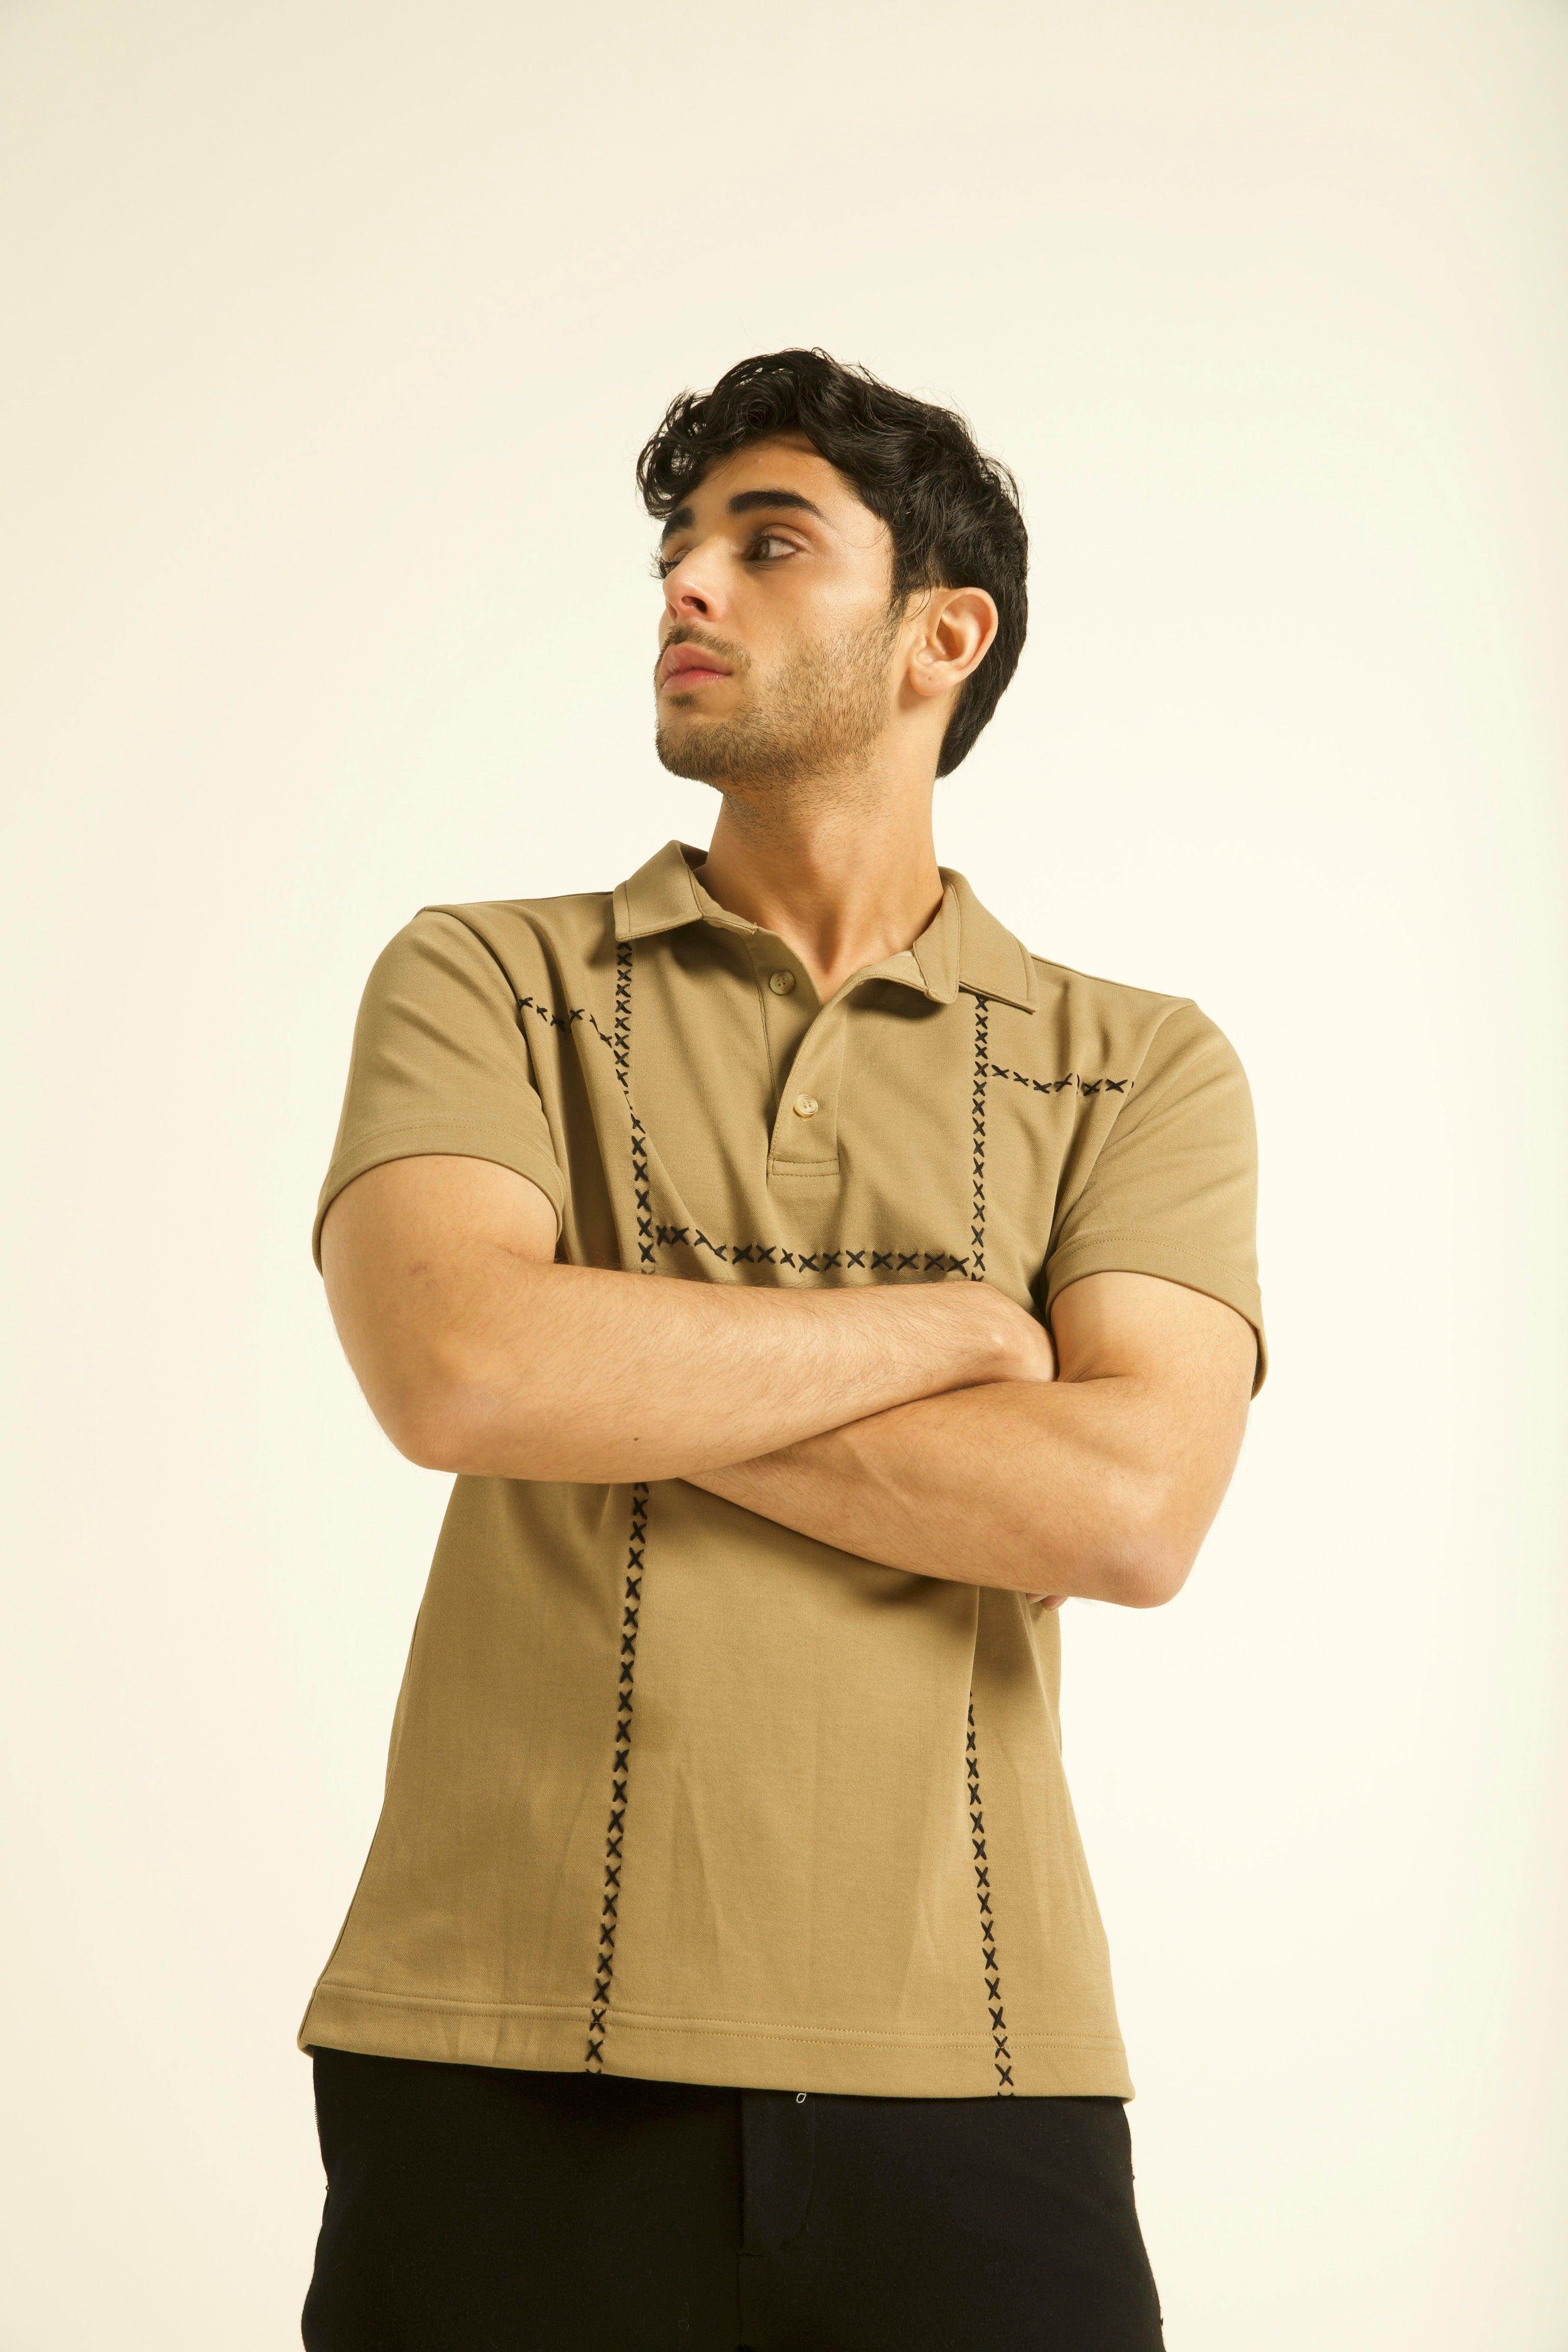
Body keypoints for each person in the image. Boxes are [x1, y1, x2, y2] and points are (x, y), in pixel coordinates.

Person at [297, 347, 1267, 2350]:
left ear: (941, 636)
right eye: (677, 546)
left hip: (981, 2067)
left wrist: (611, 1371)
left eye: (765, 543)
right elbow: (458, 1368)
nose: (684, 584)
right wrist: (949, 1333)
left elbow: (1126, 1507)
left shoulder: (1134, 1066)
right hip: (496, 2050)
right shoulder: (487, 978)